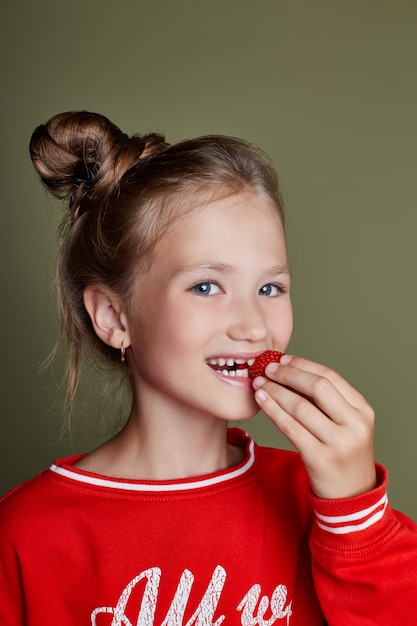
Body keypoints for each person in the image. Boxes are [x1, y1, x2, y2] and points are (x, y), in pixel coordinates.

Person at [0, 111, 416, 626]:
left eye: (270, 289)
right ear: (113, 316)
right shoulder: (26, 533)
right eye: (205, 286)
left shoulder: (322, 499)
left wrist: (358, 519)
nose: (253, 326)